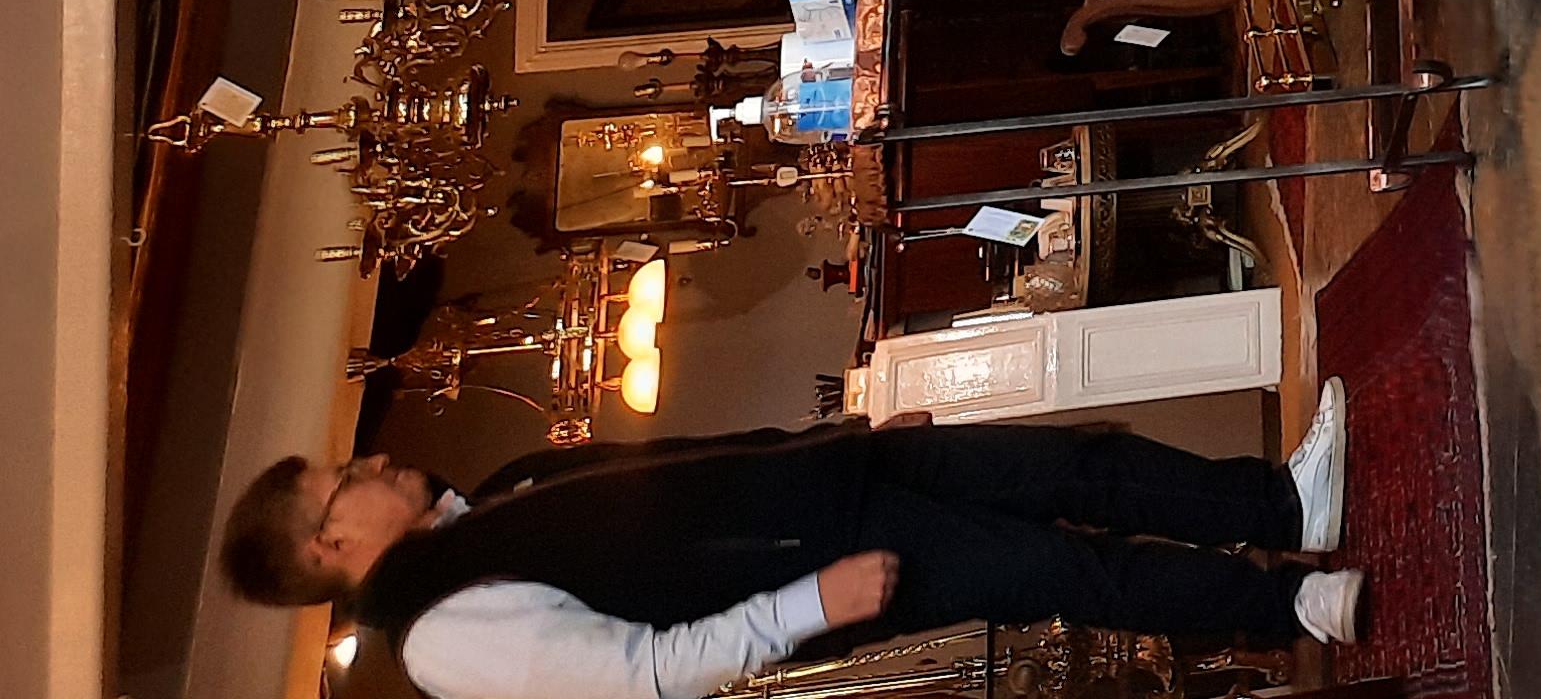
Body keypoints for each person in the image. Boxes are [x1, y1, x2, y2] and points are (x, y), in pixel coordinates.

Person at [218, 393, 1359, 699]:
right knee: (1071, 569)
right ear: (328, 545)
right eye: (347, 485)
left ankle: (1285, 510)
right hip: (824, 557)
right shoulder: (439, 645)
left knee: (1074, 463)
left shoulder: (497, 495)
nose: (371, 469)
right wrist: (809, 602)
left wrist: (842, 435)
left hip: (841, 475)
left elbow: (693, 457)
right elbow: (645, 676)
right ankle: (1289, 610)